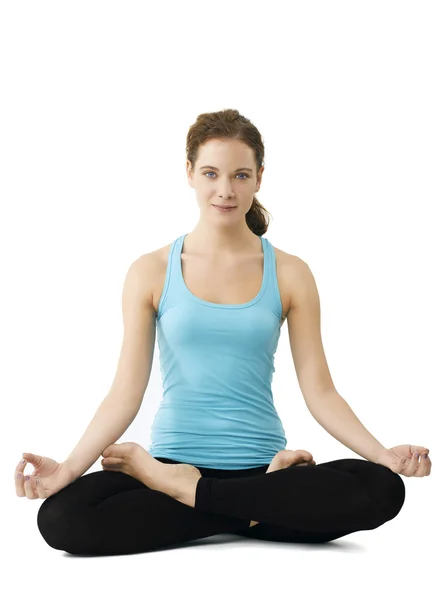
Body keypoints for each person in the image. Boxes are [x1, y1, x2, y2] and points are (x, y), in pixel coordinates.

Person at [15, 108, 431, 556]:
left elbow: (321, 392)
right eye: (211, 173)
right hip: (187, 465)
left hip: (263, 469)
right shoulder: (151, 271)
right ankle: (242, 509)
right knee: (61, 518)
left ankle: (192, 496)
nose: (225, 190)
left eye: (240, 175)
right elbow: (124, 393)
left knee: (381, 486)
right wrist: (67, 470)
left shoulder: (291, 273)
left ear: (259, 178)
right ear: (190, 172)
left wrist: (384, 456)